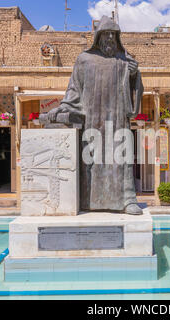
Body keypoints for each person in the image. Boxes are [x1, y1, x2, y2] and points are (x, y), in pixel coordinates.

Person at [47, 16, 143, 215]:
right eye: (105, 34)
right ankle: (86, 200)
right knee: (89, 161)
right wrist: (65, 106)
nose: (109, 38)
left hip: (117, 120)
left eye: (113, 34)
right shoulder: (84, 59)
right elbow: (74, 89)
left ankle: (127, 200)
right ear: (98, 37)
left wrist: (134, 76)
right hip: (91, 120)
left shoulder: (124, 60)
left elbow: (135, 90)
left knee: (121, 158)